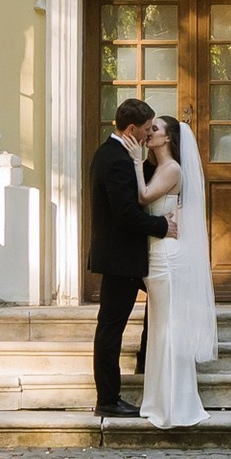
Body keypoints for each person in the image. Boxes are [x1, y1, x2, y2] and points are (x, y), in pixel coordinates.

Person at [137, 108, 217, 428]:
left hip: (167, 258)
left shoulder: (171, 169)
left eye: (154, 129)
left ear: (168, 137)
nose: (149, 133)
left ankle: (175, 405)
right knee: (160, 329)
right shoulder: (160, 167)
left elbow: (144, 197)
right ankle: (159, 400)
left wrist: (133, 160)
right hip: (157, 255)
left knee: (169, 328)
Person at [86, 95, 156, 418]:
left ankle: (145, 359)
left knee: (157, 301)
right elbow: (126, 215)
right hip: (120, 260)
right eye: (146, 129)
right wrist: (162, 226)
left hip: (122, 258)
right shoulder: (115, 160)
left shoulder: (114, 154)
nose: (149, 134)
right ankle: (108, 399)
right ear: (130, 129)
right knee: (110, 329)